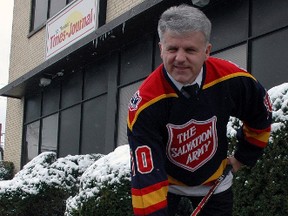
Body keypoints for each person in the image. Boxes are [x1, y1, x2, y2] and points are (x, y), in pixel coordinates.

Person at [127, 4, 272, 216]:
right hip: (166, 185)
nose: (180, 58)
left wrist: (243, 156)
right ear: (161, 49)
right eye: (172, 49)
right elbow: (146, 177)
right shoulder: (145, 103)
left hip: (216, 182)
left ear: (207, 51)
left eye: (190, 50)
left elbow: (260, 115)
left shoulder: (233, 79)